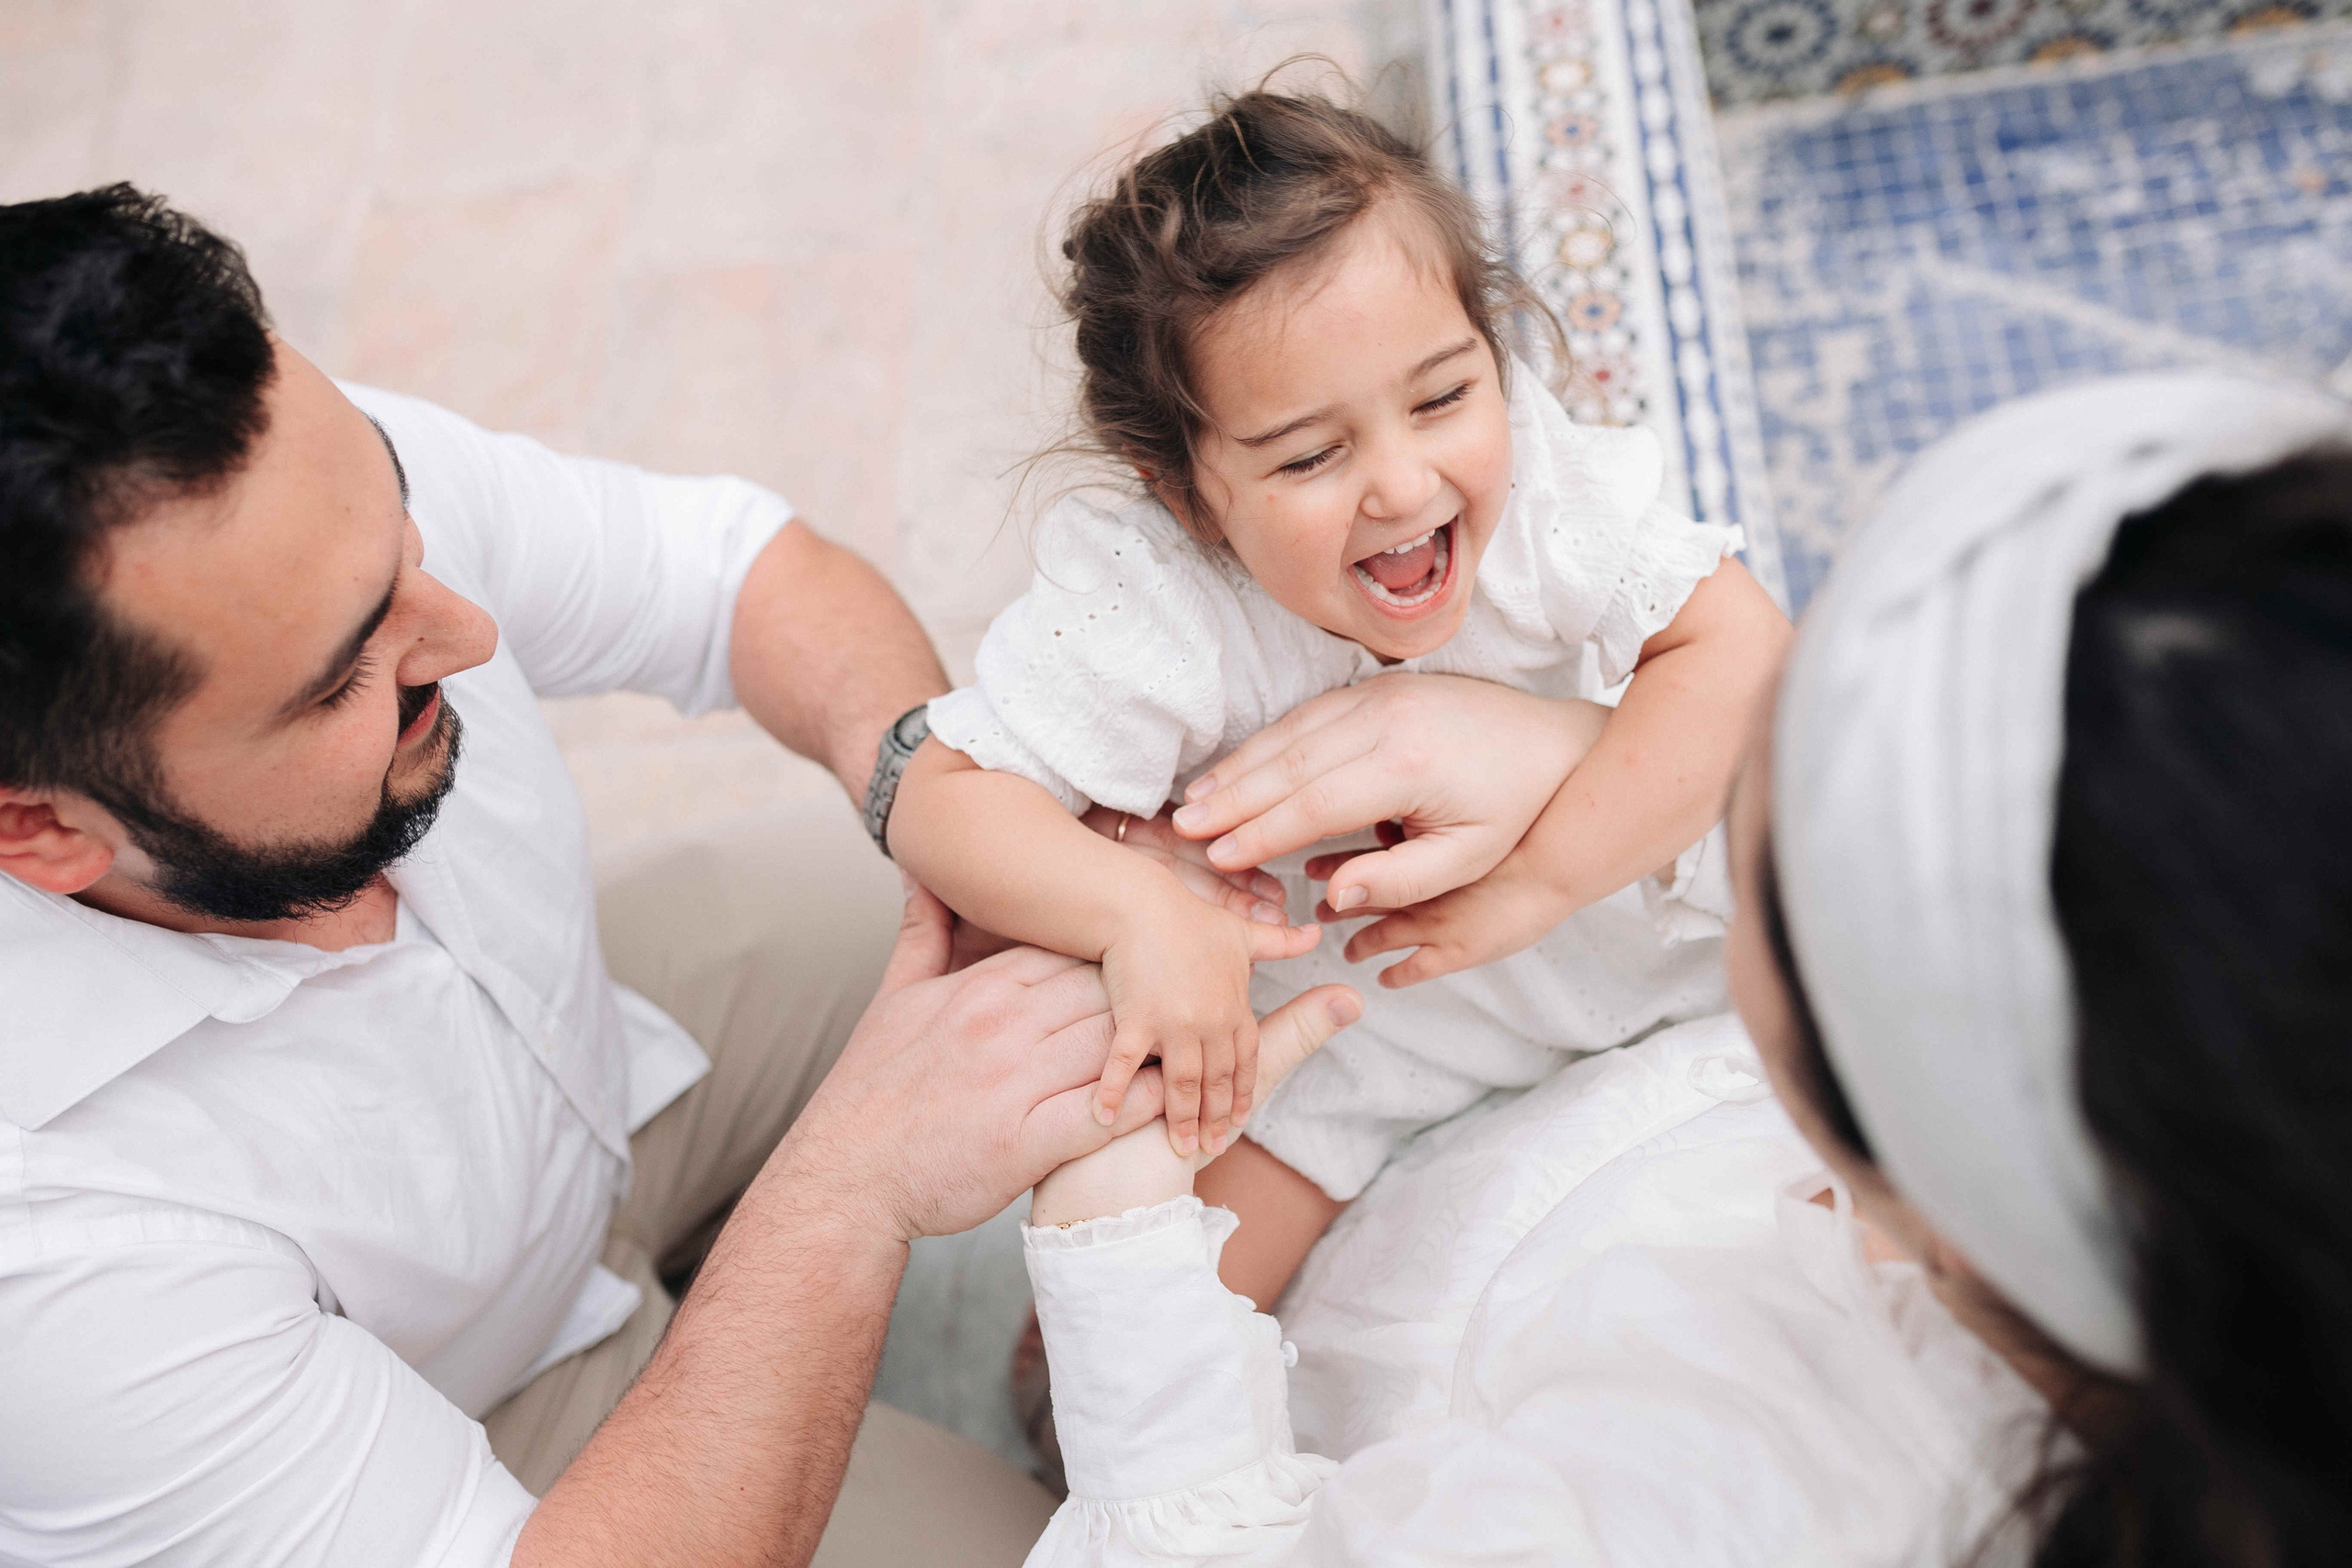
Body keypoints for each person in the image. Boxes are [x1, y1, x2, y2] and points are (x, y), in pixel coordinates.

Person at [0, 184, 1351, 1567]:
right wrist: (852, 1181)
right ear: (40, 831)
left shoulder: (285, 495)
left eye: (407, 535)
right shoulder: (50, 1263)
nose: (463, 630)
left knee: (1141, 864)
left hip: (607, 1055)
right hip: (478, 1434)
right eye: (351, 674)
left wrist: (945, 805)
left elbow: (741, 577)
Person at [1008, 371, 2352, 1564]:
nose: (1748, 725)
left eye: (1802, 788)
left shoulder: (1711, 1505)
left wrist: (1117, 1219)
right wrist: (1575, 764)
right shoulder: (2138, 1199)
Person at [888, 90, 1790, 1310]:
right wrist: (1140, 921)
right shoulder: (1156, 599)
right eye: (1311, 457)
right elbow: (943, 799)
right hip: (1360, 1014)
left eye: (1440, 398)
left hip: (1619, 911)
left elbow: (1742, 655)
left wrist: (1538, 881)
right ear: (1185, 492)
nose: (1403, 482)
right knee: (1157, 1303)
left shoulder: (1533, 486)